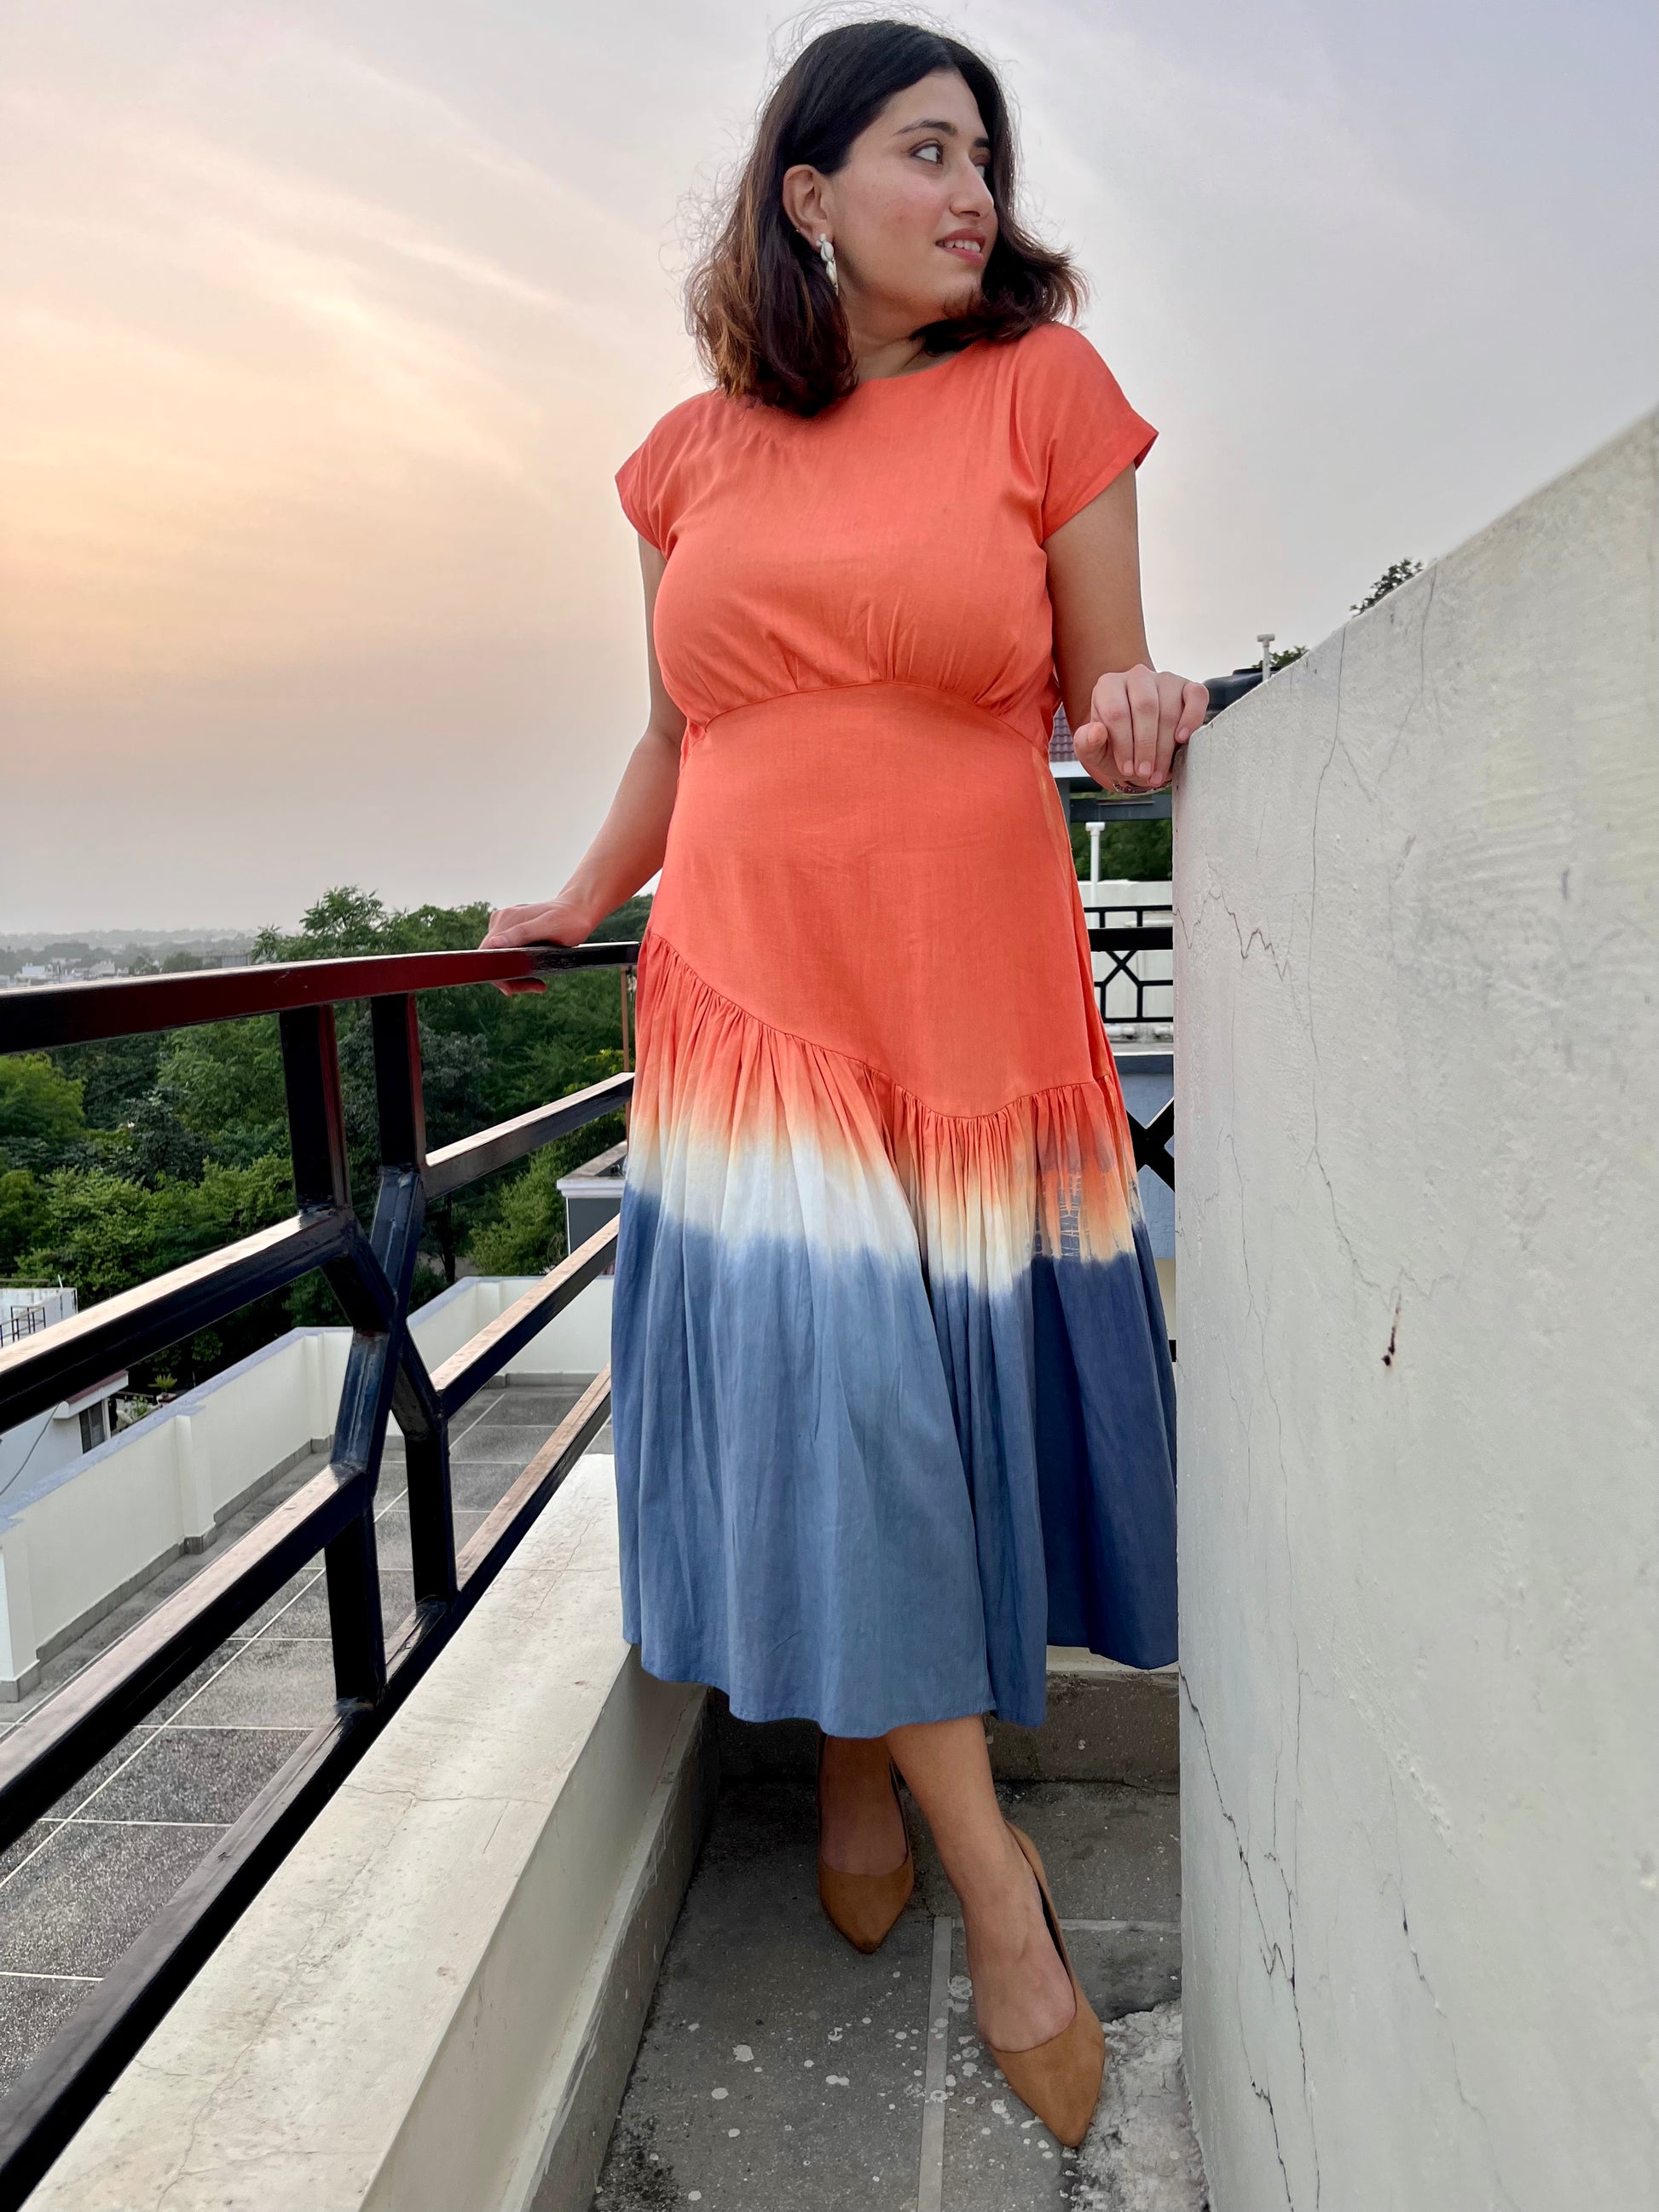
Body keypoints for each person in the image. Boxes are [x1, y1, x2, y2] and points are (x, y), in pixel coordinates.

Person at [482, 18, 1205, 2146]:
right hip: (743, 986)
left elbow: (1103, 678)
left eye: (983, 155)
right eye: (923, 150)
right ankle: (1002, 1892)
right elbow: (674, 734)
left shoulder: (1044, 390)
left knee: (914, 1410)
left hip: (963, 990)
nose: (972, 191)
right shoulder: (684, 457)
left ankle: (869, 1771)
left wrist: (1145, 702)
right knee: (851, 1403)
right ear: (806, 194)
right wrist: (573, 899)